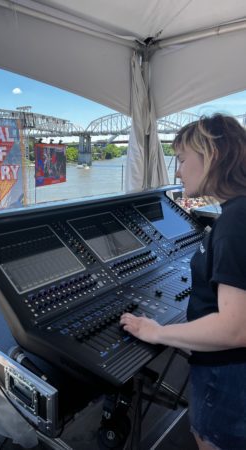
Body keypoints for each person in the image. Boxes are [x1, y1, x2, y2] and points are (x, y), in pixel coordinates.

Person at [120, 114, 246, 450]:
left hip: (227, 378)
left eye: (182, 158)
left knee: (209, 440)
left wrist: (157, 332)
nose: (177, 170)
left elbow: (235, 328)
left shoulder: (235, 223)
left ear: (211, 157)